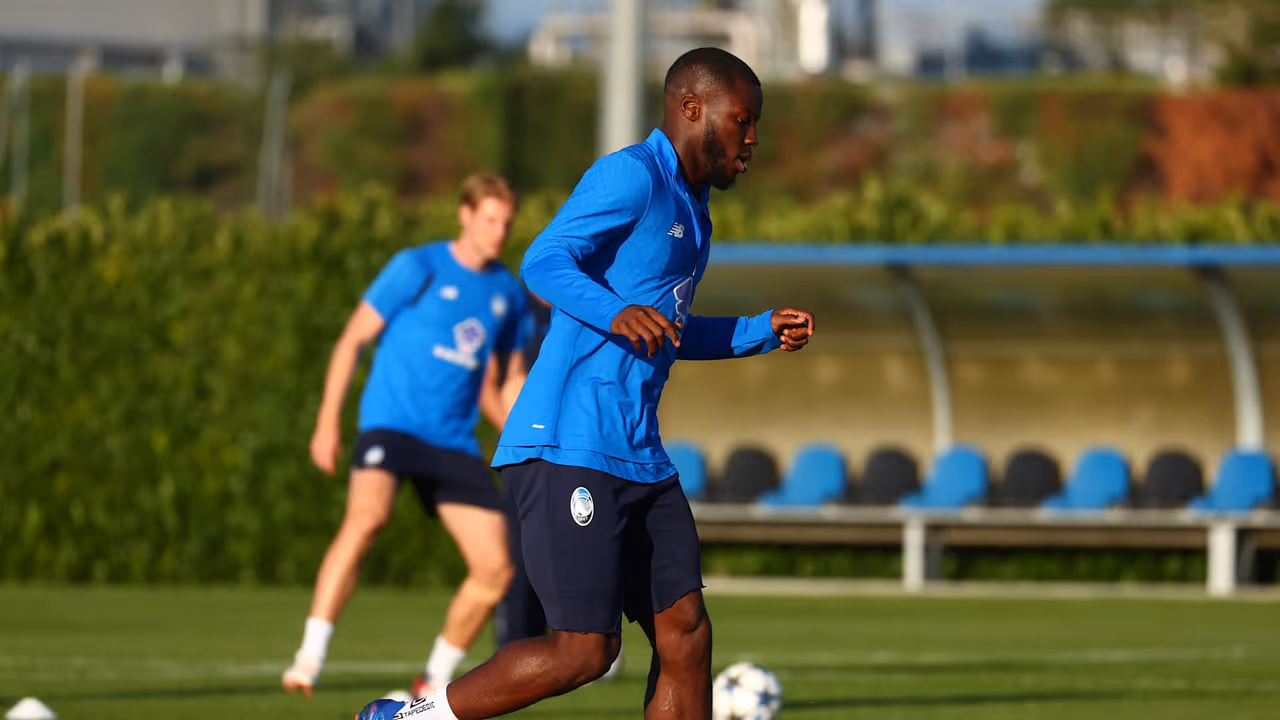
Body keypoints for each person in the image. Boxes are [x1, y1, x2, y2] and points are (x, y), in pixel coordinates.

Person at [358, 47, 815, 720]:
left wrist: (757, 330)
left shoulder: (696, 212)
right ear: (692, 109)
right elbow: (541, 260)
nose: (752, 140)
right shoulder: (630, 177)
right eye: (742, 122)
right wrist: (615, 309)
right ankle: (414, 718)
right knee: (584, 652)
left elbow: (666, 332)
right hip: (567, 445)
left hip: (640, 455)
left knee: (685, 633)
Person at [283, 173, 530, 700]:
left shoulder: (508, 292)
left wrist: (530, 440)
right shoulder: (416, 266)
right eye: (490, 219)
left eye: (506, 222)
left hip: (453, 441)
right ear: (464, 215)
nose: (499, 232)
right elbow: (351, 341)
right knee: (368, 517)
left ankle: (434, 679)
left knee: (496, 568)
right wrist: (327, 423)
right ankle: (311, 654)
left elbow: (506, 381)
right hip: (392, 425)